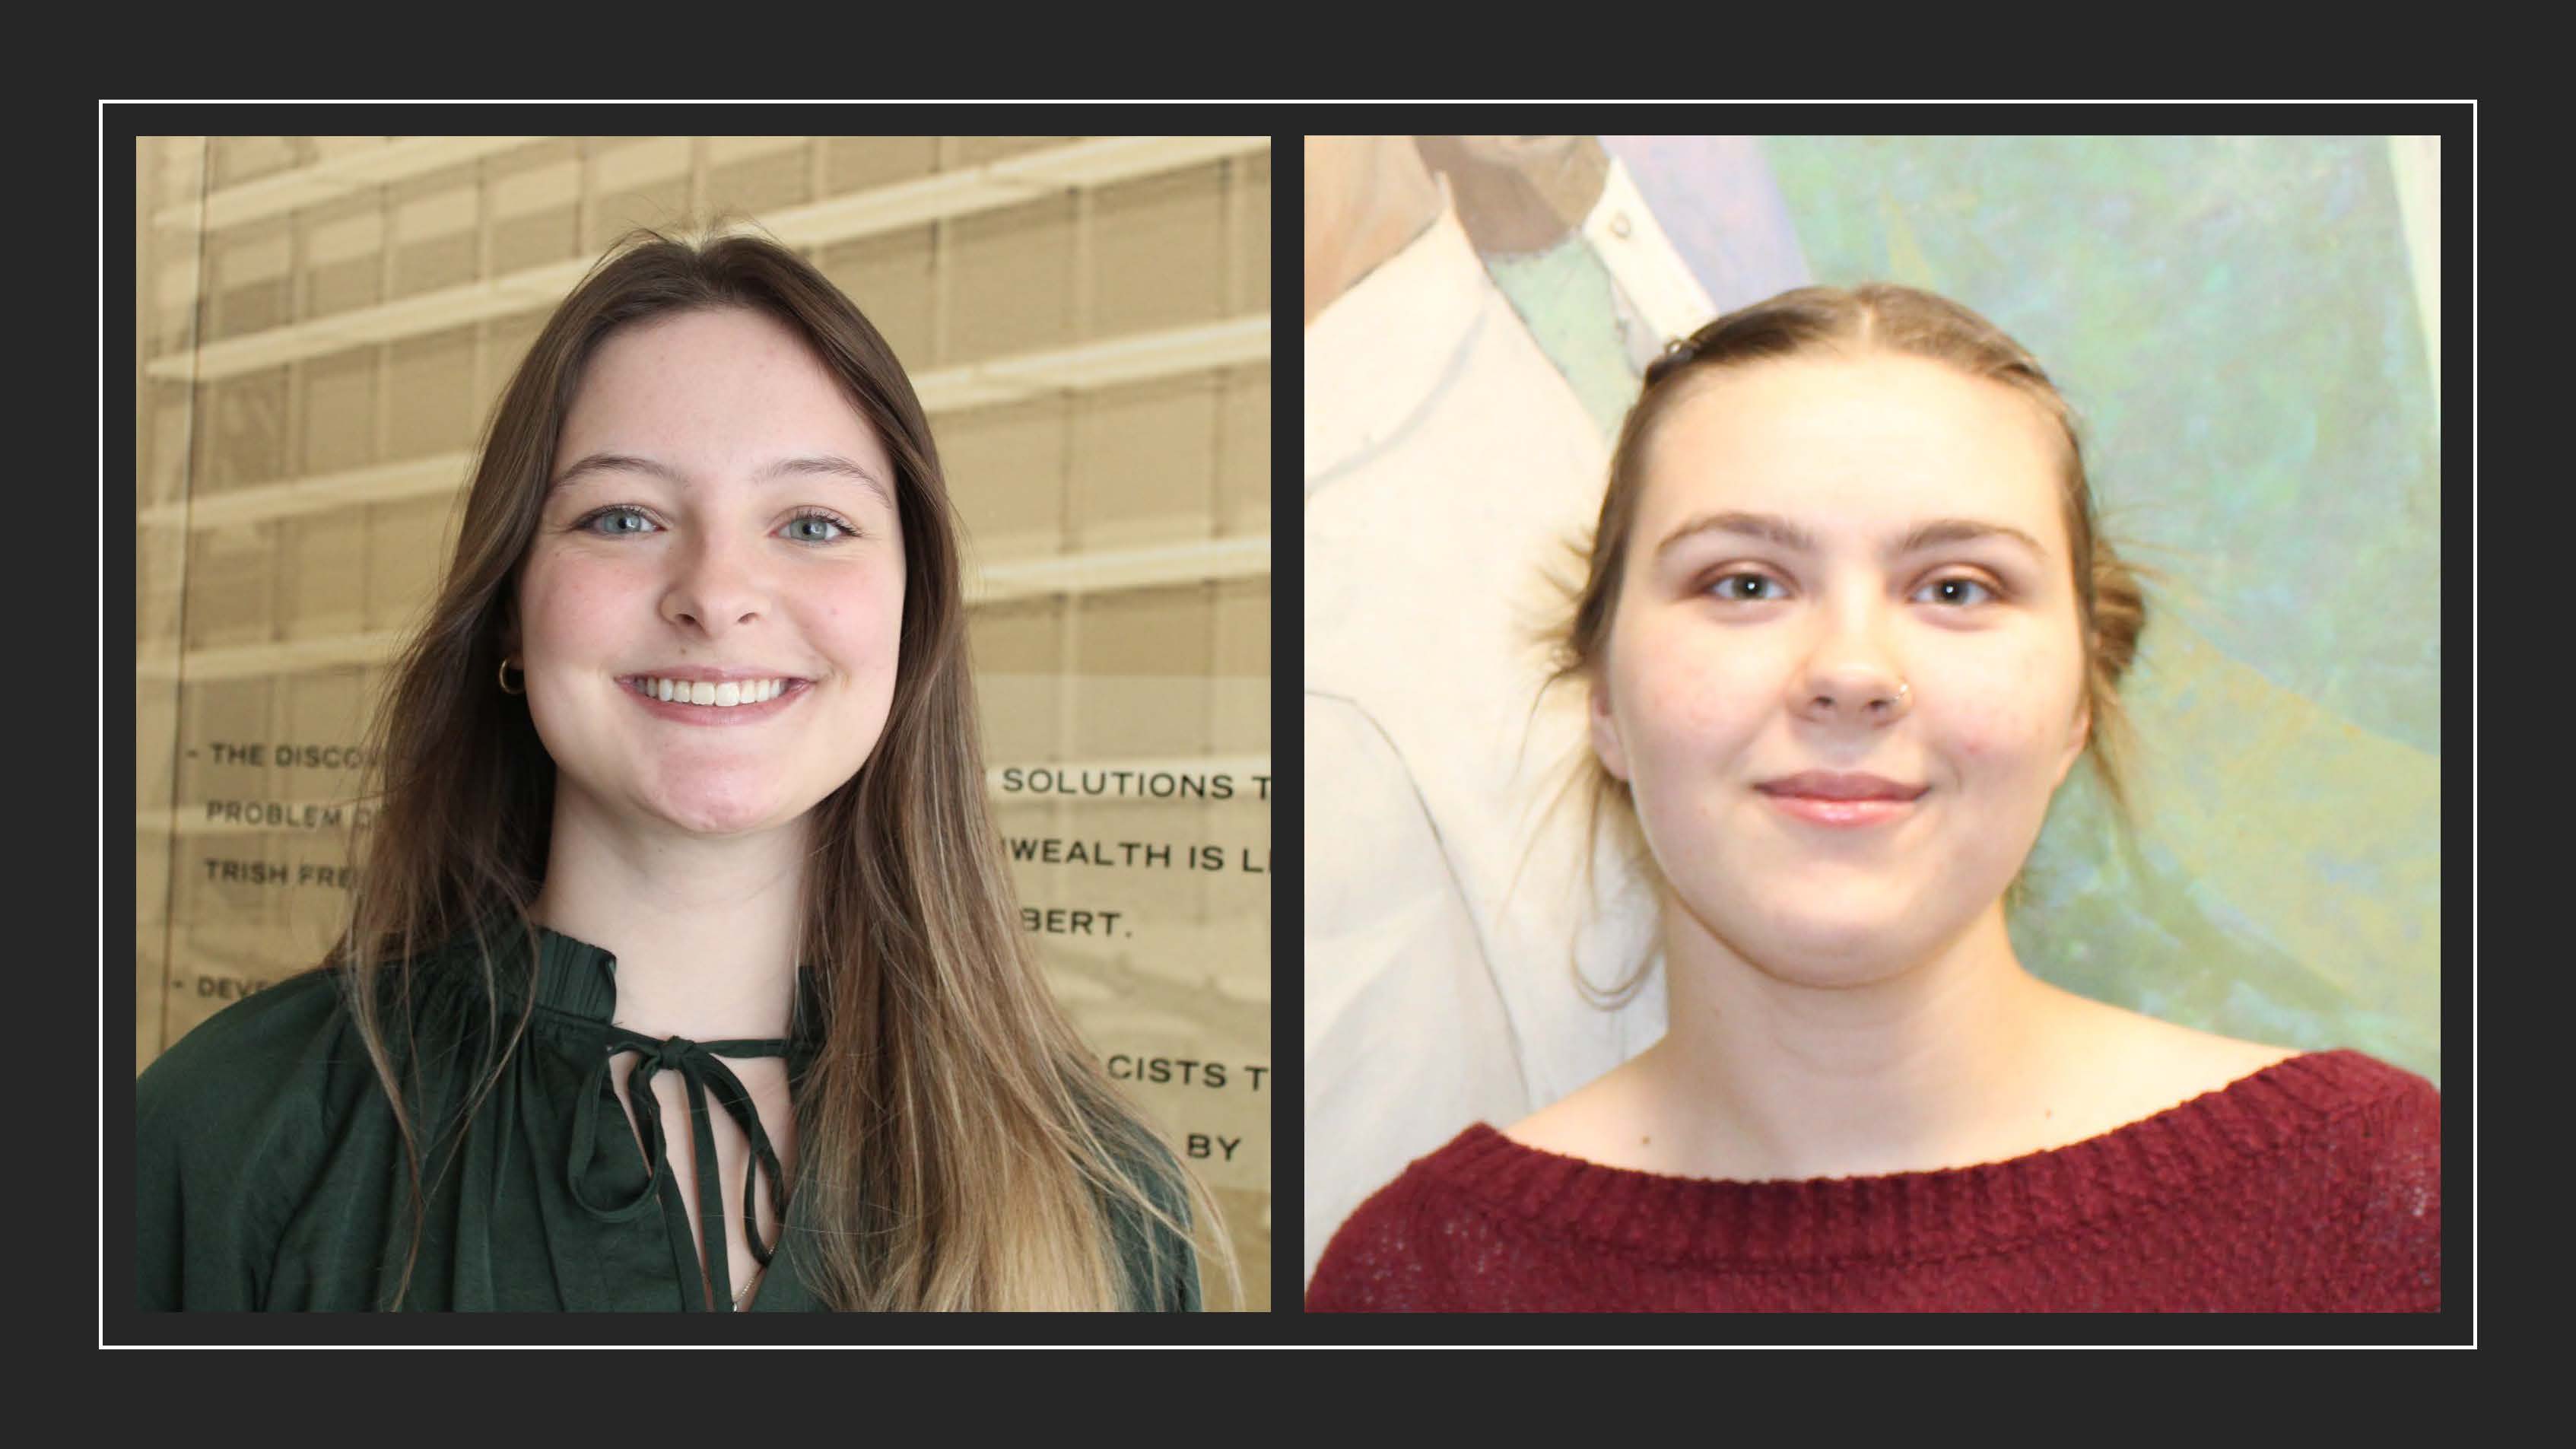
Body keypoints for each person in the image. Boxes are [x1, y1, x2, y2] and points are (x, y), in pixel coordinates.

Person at [137, 228, 1224, 1312]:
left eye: (811, 521)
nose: (716, 590)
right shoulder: (226, 1138)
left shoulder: (1112, 1201)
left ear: (911, 615)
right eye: (623, 515)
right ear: (512, 607)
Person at [1304, 282, 2439, 1312]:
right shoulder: (1423, 1281)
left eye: (1956, 587)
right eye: (1744, 582)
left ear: (2077, 701)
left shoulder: (2383, 1200)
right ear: (1602, 693)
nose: (1850, 670)